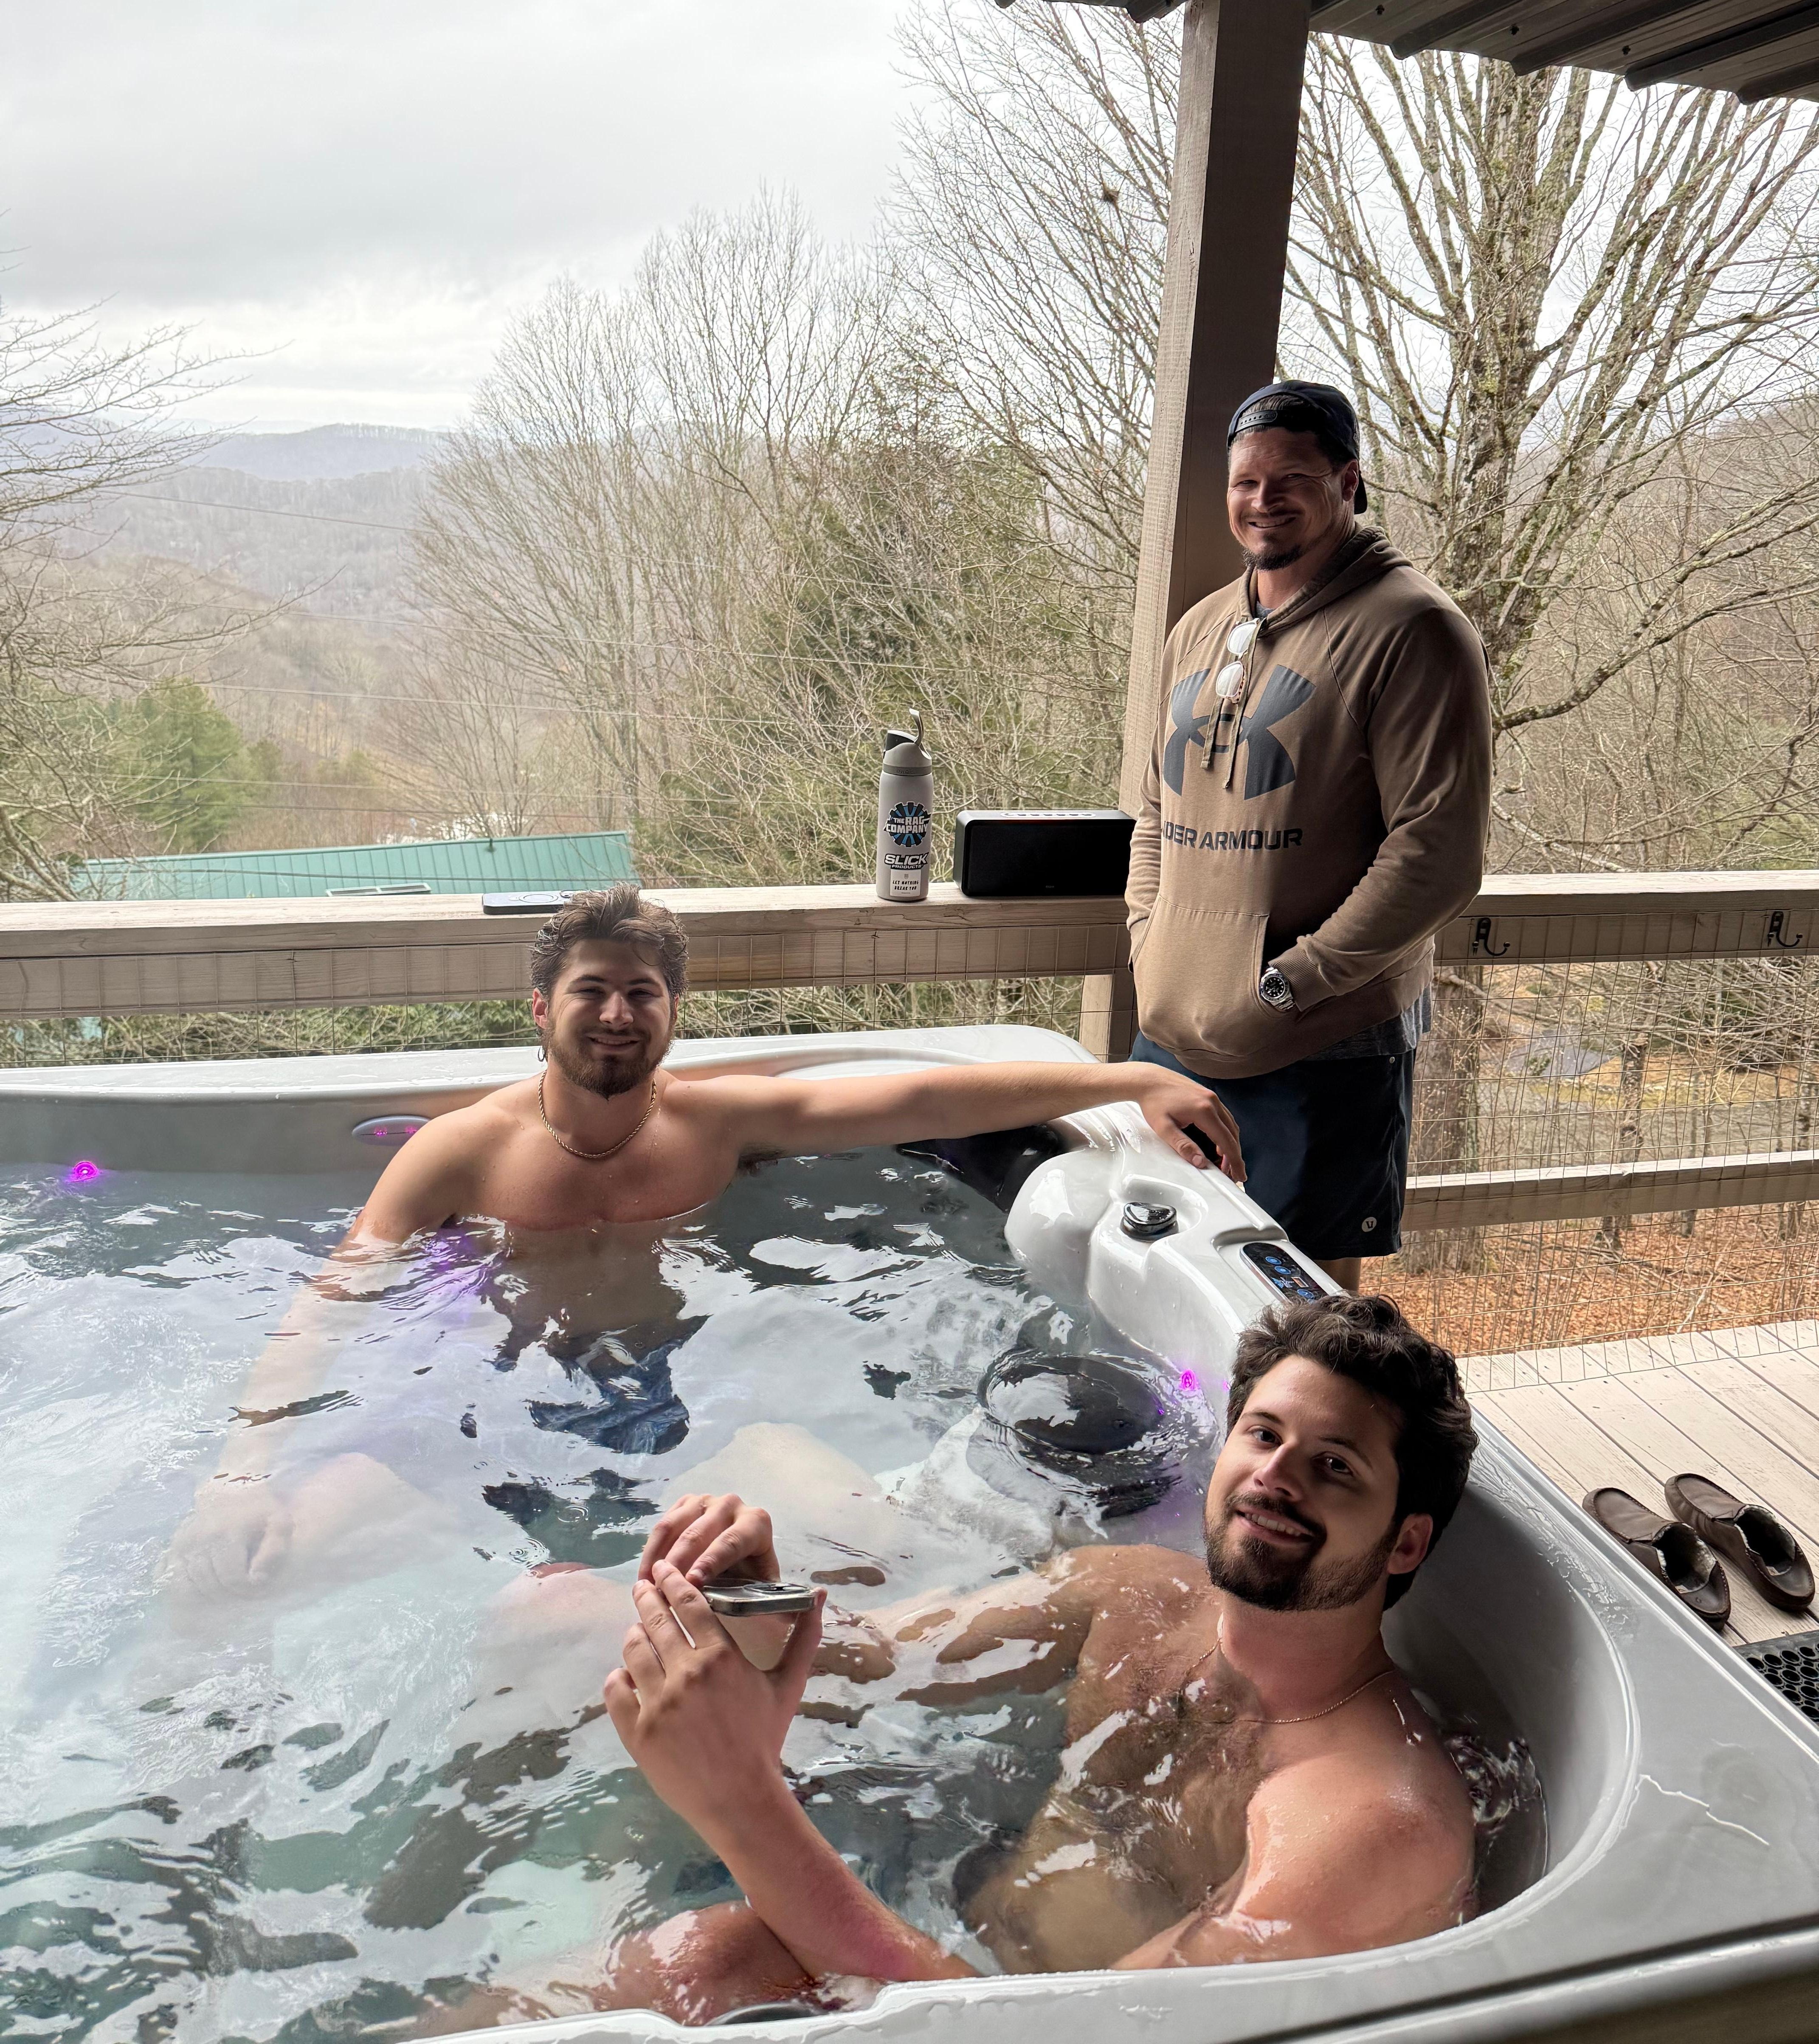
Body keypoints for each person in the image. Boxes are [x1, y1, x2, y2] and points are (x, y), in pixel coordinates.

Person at [166, 884, 1246, 1602]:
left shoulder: (714, 1127)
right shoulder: (455, 1156)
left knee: (907, 1561)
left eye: (643, 993)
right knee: (234, 1570)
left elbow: (917, 1095)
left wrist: (1127, 1078)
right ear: (541, 1008)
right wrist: (238, 1472)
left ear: (674, 1014)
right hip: (487, 1423)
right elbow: (332, 1301)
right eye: (592, 990)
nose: (618, 1014)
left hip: (683, 1412)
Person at [432, 1292, 1479, 2027]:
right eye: (1264, 1436)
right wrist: (751, 1588)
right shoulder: (1135, 1595)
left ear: (1405, 1543)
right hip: (954, 1945)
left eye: (1334, 1466)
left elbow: (1080, 2043)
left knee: (717, 1953)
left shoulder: (1365, 1820)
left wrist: (742, 1805)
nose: (1275, 1478)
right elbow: (875, 1663)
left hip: (1022, 2022)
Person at [1125, 381, 1492, 1292]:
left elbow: (1436, 855)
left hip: (1322, 1044)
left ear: (1350, 482)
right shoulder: (1202, 629)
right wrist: (1146, 940)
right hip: (1175, 1029)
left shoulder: (1414, 629)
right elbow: (1156, 815)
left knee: (1301, 1312)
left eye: (1293, 477)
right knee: (1161, 1282)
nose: (1263, 498)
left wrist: (1294, 983)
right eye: (1246, 480)